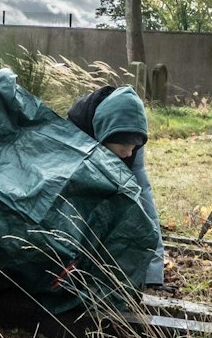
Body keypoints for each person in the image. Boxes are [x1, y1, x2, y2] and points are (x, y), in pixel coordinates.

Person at [66, 83, 166, 288]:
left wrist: (153, 272)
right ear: (105, 138)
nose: (130, 154)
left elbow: (144, 197)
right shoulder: (76, 128)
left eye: (134, 149)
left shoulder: (132, 142)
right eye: (123, 150)